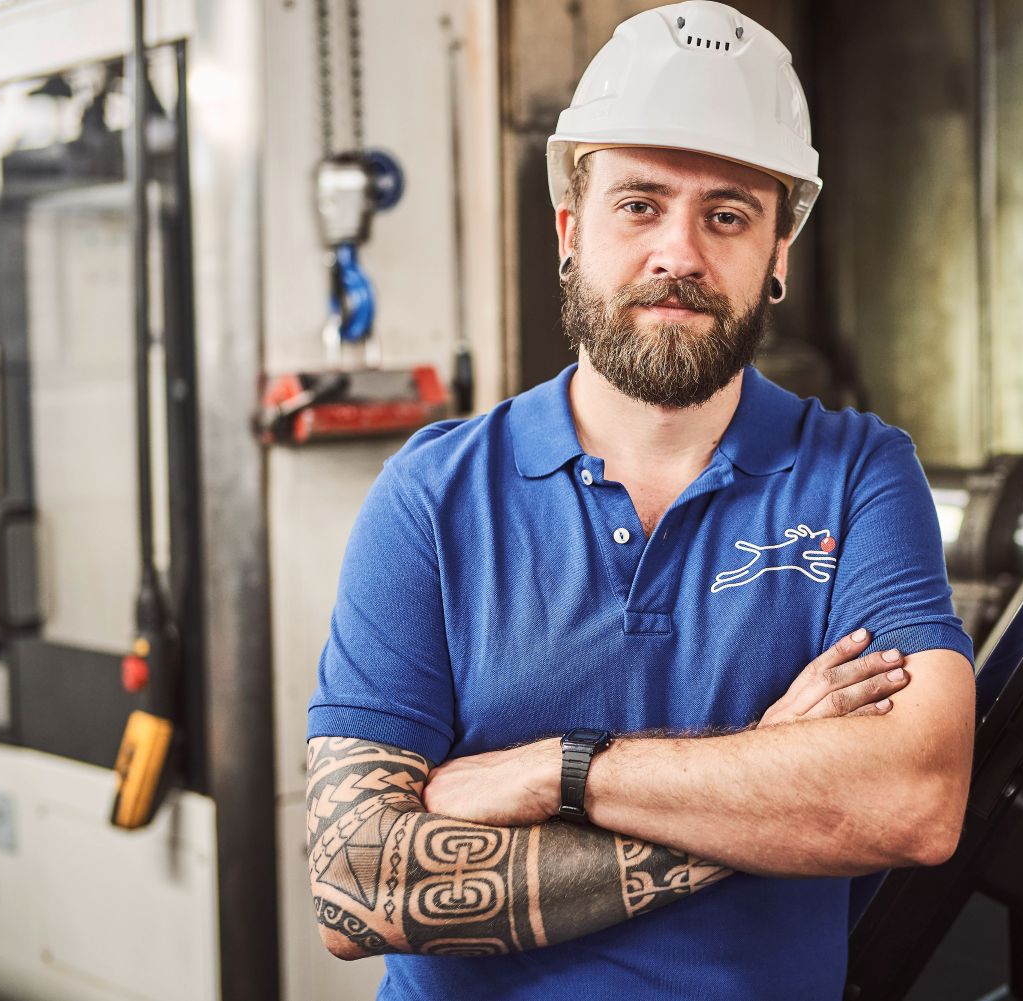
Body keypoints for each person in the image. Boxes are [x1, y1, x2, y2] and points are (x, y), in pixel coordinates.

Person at [305, 2, 976, 998]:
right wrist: (770, 772)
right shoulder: (434, 496)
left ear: (779, 252)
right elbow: (356, 881)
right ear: (571, 230)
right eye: (639, 204)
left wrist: (557, 770)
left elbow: (912, 800)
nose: (680, 253)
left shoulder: (858, 472)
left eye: (729, 213)